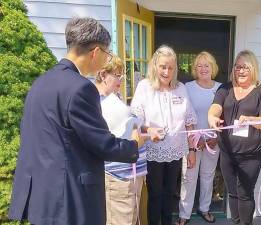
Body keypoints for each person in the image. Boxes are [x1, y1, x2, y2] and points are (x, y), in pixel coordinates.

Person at [8, 17, 141, 225]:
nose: (106, 60)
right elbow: (102, 143)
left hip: (41, 197)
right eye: (106, 53)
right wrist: (135, 144)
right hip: (69, 200)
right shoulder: (81, 88)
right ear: (95, 51)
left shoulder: (40, 83)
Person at [131, 45, 197, 225]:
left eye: (170, 67)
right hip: (153, 152)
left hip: (176, 152)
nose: (166, 72)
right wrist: (148, 130)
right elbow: (135, 121)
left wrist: (192, 150)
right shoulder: (145, 87)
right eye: (163, 67)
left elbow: (189, 121)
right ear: (155, 66)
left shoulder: (181, 88)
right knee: (155, 195)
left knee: (170, 194)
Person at [208, 50, 261, 225]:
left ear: (253, 69)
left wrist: (251, 120)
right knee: (232, 192)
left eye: (245, 67)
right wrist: (212, 117)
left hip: (252, 154)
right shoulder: (226, 88)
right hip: (227, 151)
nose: (241, 71)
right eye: (237, 67)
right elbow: (215, 107)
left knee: (244, 192)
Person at [94, 55, 147, 225]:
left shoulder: (114, 98)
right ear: (103, 75)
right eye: (117, 75)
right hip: (118, 176)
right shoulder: (97, 102)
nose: (121, 80)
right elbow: (106, 140)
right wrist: (137, 136)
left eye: (122, 75)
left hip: (132, 173)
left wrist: (144, 130)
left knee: (130, 220)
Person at [176, 51, 221, 225]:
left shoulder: (221, 88)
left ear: (213, 68)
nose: (203, 69)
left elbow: (225, 116)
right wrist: (194, 141)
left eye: (207, 65)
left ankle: (204, 208)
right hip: (191, 142)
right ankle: (184, 214)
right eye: (199, 65)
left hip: (212, 141)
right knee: (188, 177)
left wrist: (216, 137)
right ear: (195, 69)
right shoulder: (187, 87)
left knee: (208, 176)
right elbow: (184, 117)